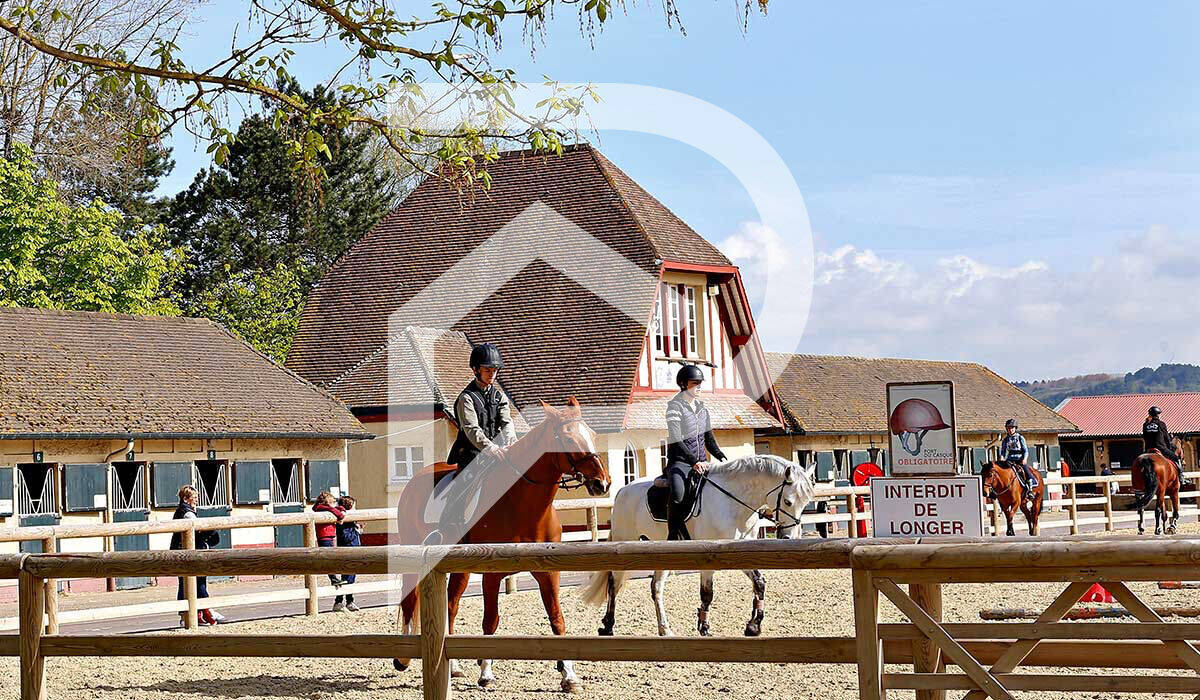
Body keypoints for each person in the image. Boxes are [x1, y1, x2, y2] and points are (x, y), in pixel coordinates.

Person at [435, 343, 517, 541]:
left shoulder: (500, 396)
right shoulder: (466, 398)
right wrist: (491, 448)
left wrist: (511, 443)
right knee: (464, 484)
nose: (492, 374)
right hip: (471, 454)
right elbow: (472, 430)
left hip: (498, 452)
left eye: (495, 370)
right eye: (487, 370)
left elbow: (507, 423)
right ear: (475, 370)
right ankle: (447, 525)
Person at [663, 364, 726, 541]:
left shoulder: (702, 409)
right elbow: (676, 438)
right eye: (694, 383)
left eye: (700, 383)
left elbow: (709, 438)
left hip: (702, 462)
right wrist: (693, 461)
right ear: (683, 384)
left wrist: (721, 456)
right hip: (680, 463)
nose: (699, 387)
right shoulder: (674, 407)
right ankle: (673, 535)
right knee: (678, 494)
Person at [170, 485, 223, 627]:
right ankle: (200, 612)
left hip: (183, 552)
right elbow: (196, 532)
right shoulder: (188, 514)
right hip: (188, 554)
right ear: (186, 499)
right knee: (196, 582)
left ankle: (196, 613)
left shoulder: (184, 511)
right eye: (194, 498)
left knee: (189, 583)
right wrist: (210, 531)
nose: (197, 501)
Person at [1143, 406, 1192, 489]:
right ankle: (1181, 477)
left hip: (1148, 449)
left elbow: (1144, 437)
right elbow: (1166, 437)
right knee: (1176, 458)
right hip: (1160, 447)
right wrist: (1170, 447)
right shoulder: (1161, 424)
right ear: (1158, 415)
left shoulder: (1145, 425)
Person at [312, 491, 346, 599]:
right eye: (332, 502)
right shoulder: (322, 508)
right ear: (327, 502)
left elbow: (336, 509)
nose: (333, 505)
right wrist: (341, 514)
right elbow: (336, 512)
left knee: (331, 557)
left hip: (329, 535)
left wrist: (341, 510)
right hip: (324, 536)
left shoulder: (323, 508)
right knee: (328, 558)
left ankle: (334, 577)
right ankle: (333, 578)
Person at [333, 495, 362, 612]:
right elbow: (346, 537)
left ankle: (346, 601)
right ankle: (342, 601)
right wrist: (357, 531)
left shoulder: (350, 522)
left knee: (350, 578)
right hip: (348, 550)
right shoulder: (344, 523)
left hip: (353, 550)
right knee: (347, 578)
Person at [999, 418, 1037, 502]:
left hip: (1020, 458)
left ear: (1015, 428)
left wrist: (1025, 459)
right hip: (1009, 459)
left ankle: (1030, 490)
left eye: (1012, 428)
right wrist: (1001, 457)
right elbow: (1003, 451)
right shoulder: (1005, 440)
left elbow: (1025, 450)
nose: (1010, 430)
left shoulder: (1020, 438)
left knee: (1026, 471)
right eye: (1008, 428)